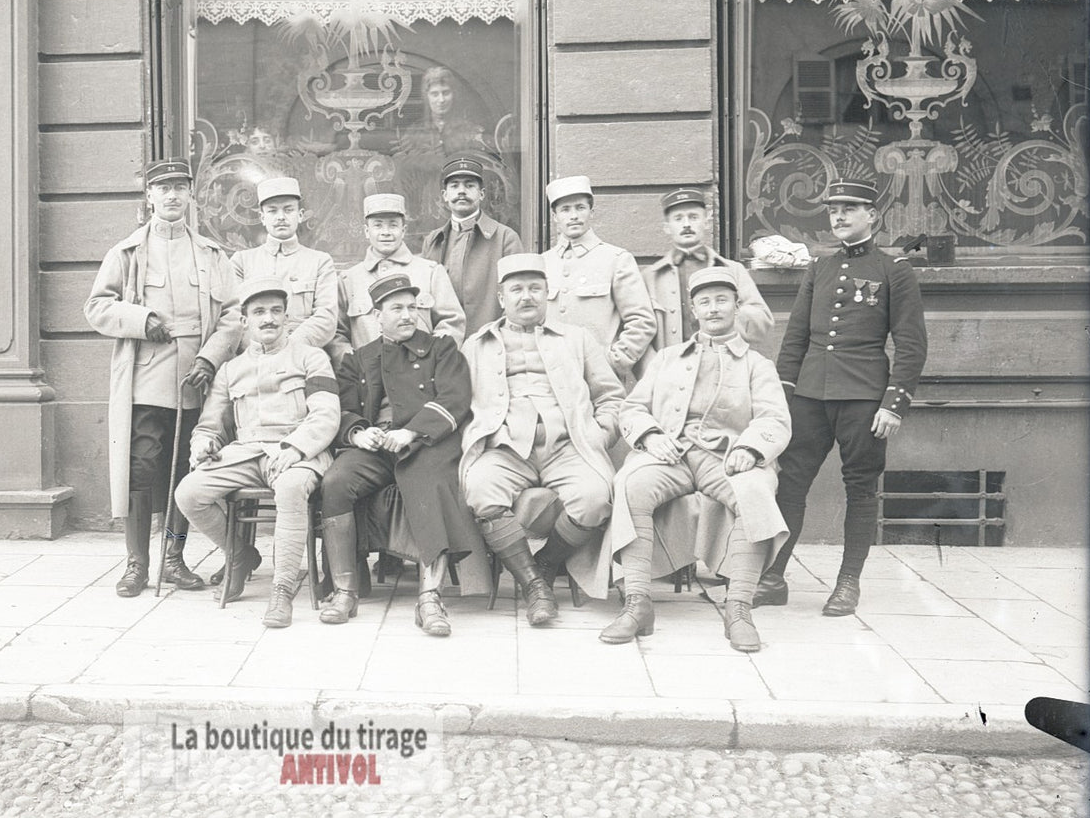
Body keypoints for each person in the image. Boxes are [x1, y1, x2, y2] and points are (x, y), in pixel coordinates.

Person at [754, 177, 927, 616]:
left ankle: (848, 582)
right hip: (810, 396)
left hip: (864, 398)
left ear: (873, 215)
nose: (839, 216)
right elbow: (795, 338)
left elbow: (910, 344)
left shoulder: (895, 270)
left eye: (850, 208)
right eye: (833, 210)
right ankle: (773, 576)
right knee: (789, 484)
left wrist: (893, 404)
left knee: (860, 489)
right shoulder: (820, 268)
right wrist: (783, 396)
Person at [599, 267, 792, 653]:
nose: (713, 309)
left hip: (727, 457)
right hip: (671, 454)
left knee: (754, 492)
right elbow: (632, 408)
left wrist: (750, 449)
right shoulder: (668, 358)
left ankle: (738, 608)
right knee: (630, 485)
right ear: (693, 309)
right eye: (704, 302)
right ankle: (637, 604)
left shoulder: (758, 365)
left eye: (722, 300)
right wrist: (651, 436)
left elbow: (775, 419)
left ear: (736, 307)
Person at [84, 159, 241, 598]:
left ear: (191, 195)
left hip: (196, 378)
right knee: (142, 467)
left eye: (180, 187)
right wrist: (142, 317)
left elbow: (232, 314)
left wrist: (210, 359)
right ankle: (137, 563)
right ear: (149, 196)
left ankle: (174, 560)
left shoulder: (211, 254)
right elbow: (97, 306)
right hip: (147, 379)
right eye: (163, 187)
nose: (172, 195)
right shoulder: (127, 252)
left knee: (187, 471)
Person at [459, 254, 627, 626]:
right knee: (479, 488)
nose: (526, 297)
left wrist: (601, 432)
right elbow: (460, 403)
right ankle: (535, 585)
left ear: (548, 293)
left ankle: (546, 563)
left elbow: (611, 396)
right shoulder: (477, 345)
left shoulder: (578, 339)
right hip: (504, 448)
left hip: (569, 445)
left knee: (597, 496)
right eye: (516, 289)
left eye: (535, 288)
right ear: (502, 298)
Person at [318, 273, 485, 635]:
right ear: (377, 316)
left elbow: (455, 400)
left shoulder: (441, 350)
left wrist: (411, 431)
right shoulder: (360, 358)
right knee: (335, 481)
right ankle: (344, 591)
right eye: (397, 308)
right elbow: (342, 408)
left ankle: (429, 598)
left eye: (413, 307)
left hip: (426, 442)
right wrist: (360, 432)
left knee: (430, 481)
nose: (408, 315)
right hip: (376, 448)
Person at [171, 277, 341, 629]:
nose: (269, 319)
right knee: (188, 492)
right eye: (259, 312)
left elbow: (326, 414)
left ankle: (282, 589)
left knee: (292, 489)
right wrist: (202, 445)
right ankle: (239, 553)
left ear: (287, 318)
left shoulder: (312, 357)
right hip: (246, 453)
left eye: (276, 311)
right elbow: (209, 426)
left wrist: (295, 447)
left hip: (300, 451)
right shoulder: (230, 369)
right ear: (245, 320)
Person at [637, 187, 773, 377]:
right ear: (667, 227)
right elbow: (638, 335)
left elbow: (762, 323)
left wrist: (726, 314)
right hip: (671, 376)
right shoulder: (650, 278)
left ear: (707, 222)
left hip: (724, 372)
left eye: (693, 217)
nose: (686, 224)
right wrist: (656, 374)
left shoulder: (733, 270)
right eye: (678, 219)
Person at [543, 175, 656, 389]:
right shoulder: (542, 263)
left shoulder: (616, 259)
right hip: (550, 381)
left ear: (591, 212)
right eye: (565, 209)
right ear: (555, 216)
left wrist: (614, 362)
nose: (574, 216)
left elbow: (642, 321)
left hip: (600, 383)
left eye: (580, 208)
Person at [333, 193, 466, 361]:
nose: (386, 232)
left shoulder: (430, 272)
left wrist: (431, 361)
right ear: (367, 231)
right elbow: (336, 333)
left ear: (403, 230)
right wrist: (355, 364)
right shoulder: (348, 280)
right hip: (367, 379)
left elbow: (452, 323)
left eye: (393, 225)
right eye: (378, 226)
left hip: (422, 377)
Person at [420, 153, 525, 338]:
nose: (461, 191)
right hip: (443, 348)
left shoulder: (505, 238)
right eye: (454, 186)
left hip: (490, 342)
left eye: (469, 185)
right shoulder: (433, 241)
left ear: (481, 194)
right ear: (445, 195)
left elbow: (516, 297)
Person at [231, 176, 339, 350]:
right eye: (272, 211)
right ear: (262, 217)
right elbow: (234, 316)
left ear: (300, 215)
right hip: (254, 357)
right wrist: (259, 350)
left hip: (303, 355)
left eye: (288, 210)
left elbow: (326, 317)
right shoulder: (241, 261)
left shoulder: (320, 261)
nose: (281, 217)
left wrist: (288, 348)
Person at [392, 66, 491, 160]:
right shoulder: (414, 132)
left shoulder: (470, 131)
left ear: (454, 94)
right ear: (427, 97)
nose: (441, 100)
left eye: (446, 93)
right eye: (435, 94)